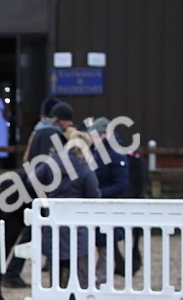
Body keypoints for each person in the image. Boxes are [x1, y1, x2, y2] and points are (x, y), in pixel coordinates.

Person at [1, 100, 75, 288]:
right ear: (59, 120)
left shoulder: (39, 131)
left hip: (30, 187)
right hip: (42, 191)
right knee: (33, 232)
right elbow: (52, 165)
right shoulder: (52, 135)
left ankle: (14, 271)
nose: (70, 125)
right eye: (68, 121)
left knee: (30, 231)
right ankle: (12, 272)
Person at [34, 125, 101, 287]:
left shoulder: (53, 160)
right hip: (77, 221)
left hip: (54, 216)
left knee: (55, 257)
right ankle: (74, 290)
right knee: (77, 260)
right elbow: (94, 194)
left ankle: (55, 288)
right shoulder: (84, 167)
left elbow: (32, 179)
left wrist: (46, 193)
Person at [89, 116, 130, 282]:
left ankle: (102, 278)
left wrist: (99, 193)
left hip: (107, 204)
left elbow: (121, 184)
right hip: (95, 204)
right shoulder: (96, 152)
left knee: (105, 246)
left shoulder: (115, 154)